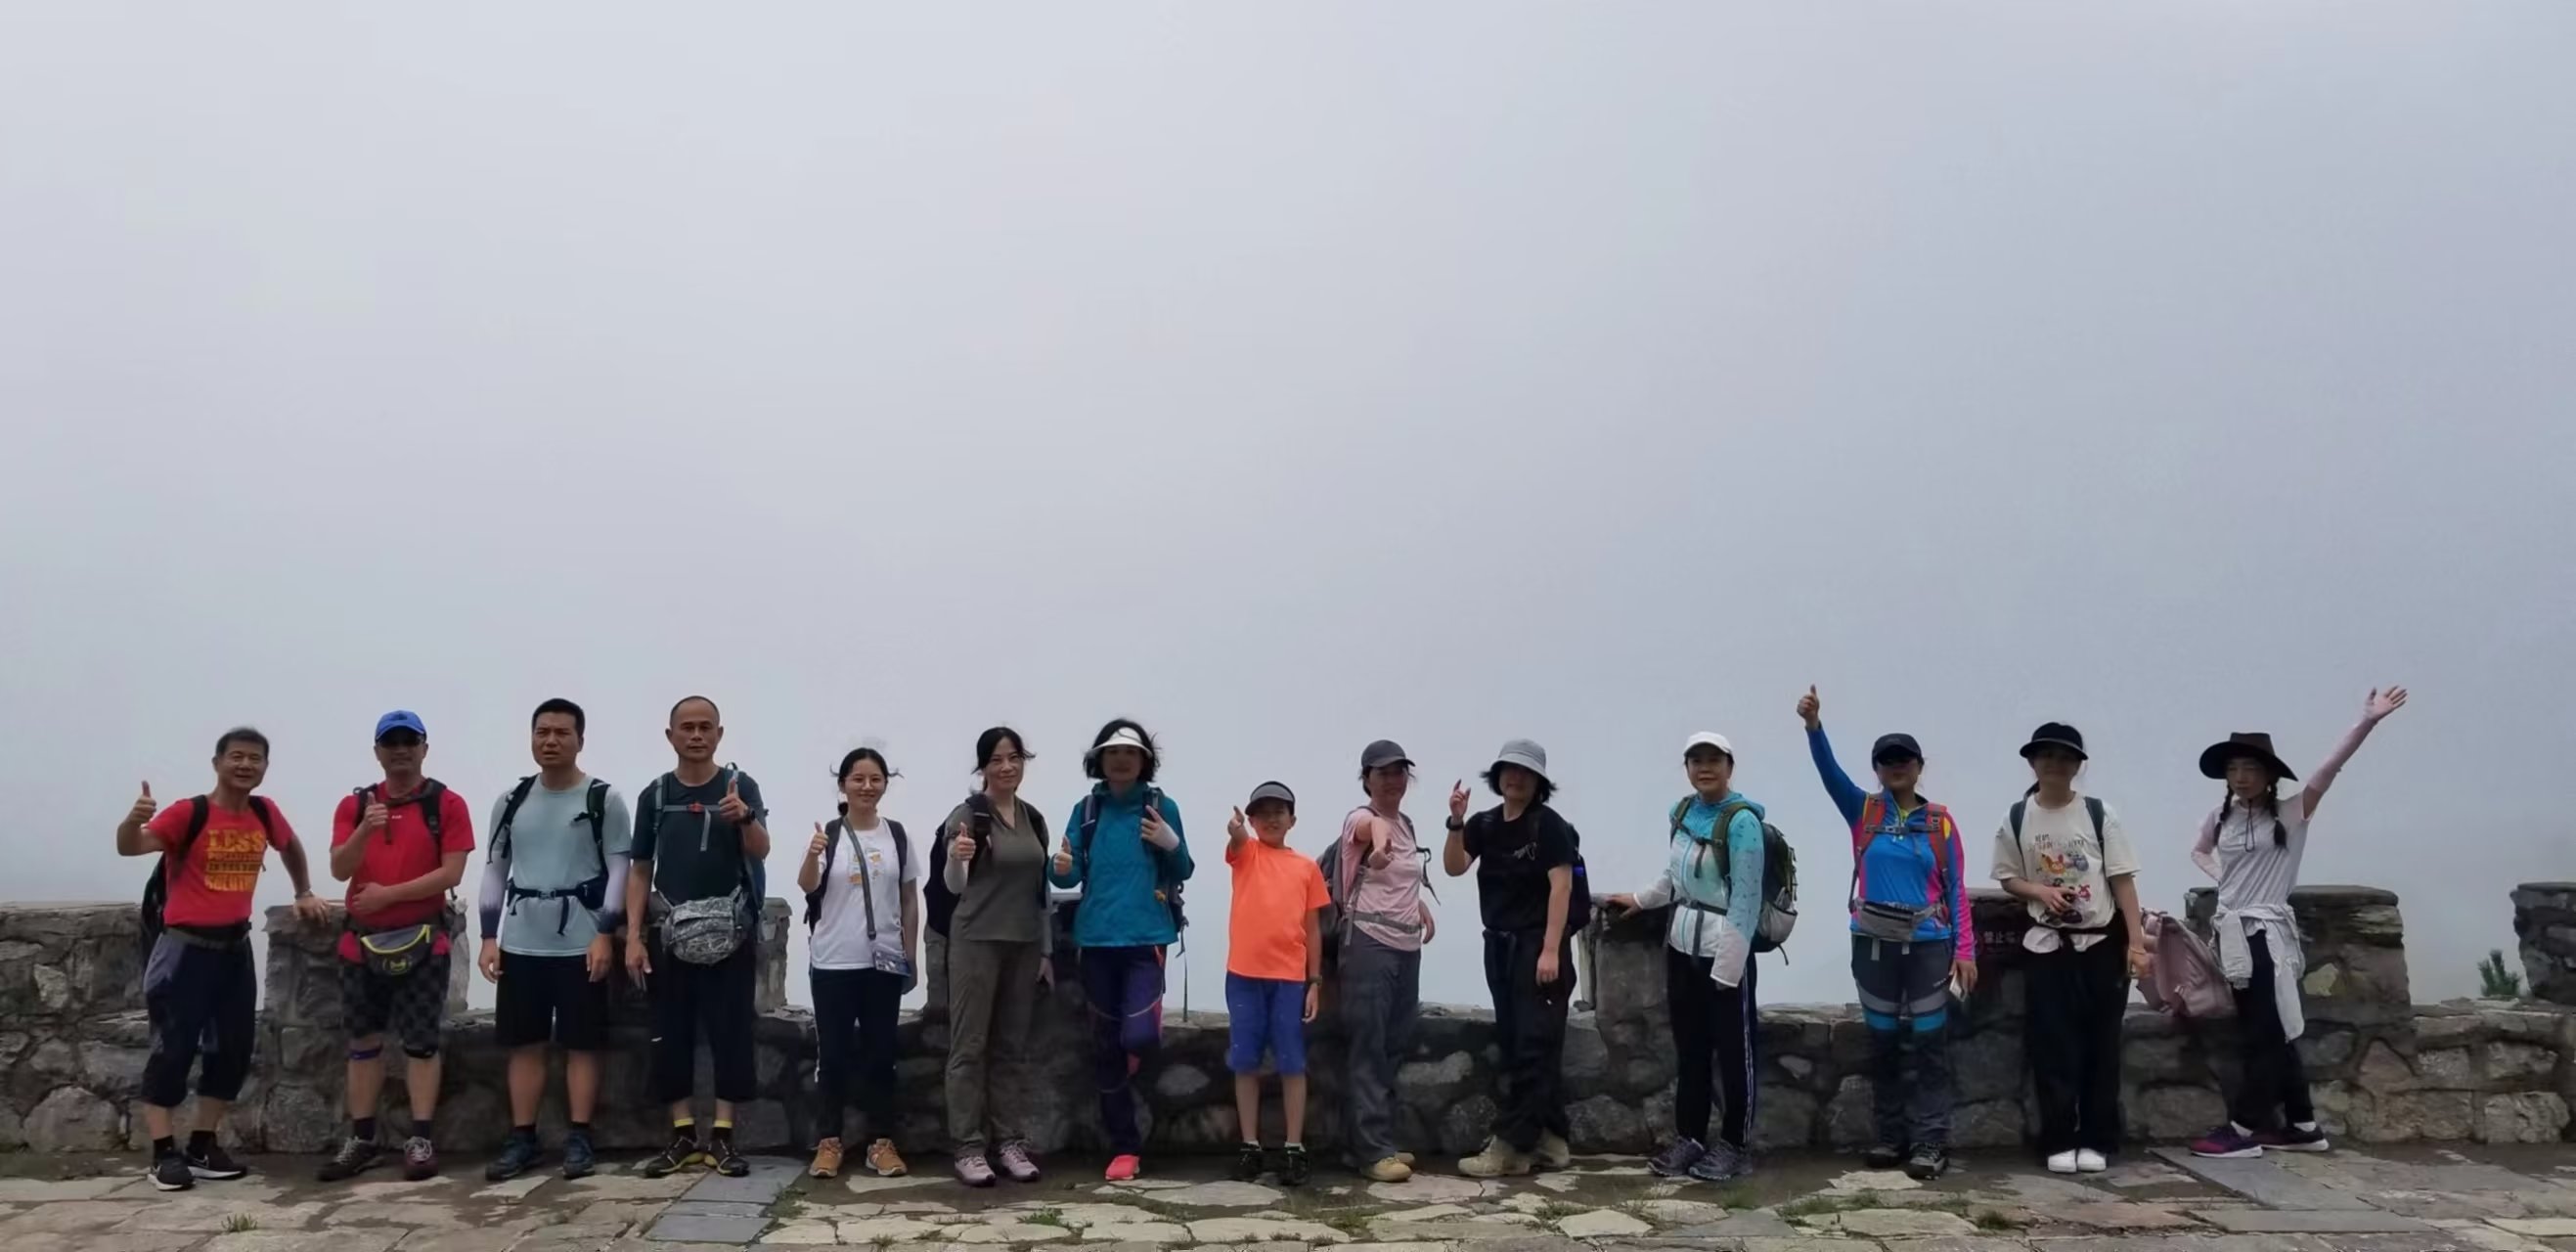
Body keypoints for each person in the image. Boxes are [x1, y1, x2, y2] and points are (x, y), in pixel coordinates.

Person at [2189, 687, 2409, 1159]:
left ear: (2269, 775)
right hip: (2234, 935)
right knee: (2271, 1029)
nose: (2241, 777)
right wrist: (2224, 879)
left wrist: (2367, 721)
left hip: (2267, 935)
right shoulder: (2221, 817)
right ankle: (2303, 1125)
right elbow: (2198, 851)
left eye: (2251, 768)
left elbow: (2329, 768)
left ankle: (2243, 1128)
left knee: (2267, 1033)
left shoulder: (2292, 813)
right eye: (2234, 769)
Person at [117, 728, 333, 1191]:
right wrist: (132, 822)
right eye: (236, 756)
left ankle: (202, 1145)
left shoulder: (263, 812)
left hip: (234, 949)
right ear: (217, 763)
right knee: (172, 1049)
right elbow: (131, 847)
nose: (245, 765)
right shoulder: (189, 813)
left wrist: (303, 891)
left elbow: (290, 846)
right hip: (184, 950)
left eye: (255, 758)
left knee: (231, 1050)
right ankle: (162, 1153)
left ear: (265, 767)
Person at [1798, 686, 1976, 1182]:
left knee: (1929, 1046)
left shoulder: (1940, 822)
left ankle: (1930, 1141)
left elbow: (1956, 888)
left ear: (1919, 767)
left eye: (1904, 760)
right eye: (1887, 761)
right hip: (1874, 945)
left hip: (1929, 947)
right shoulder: (1864, 812)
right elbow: (1830, 774)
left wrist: (1965, 950)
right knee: (1883, 1046)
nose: (1896, 767)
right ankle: (1890, 1137)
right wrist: (1814, 728)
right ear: (1876, 769)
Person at [317, 710, 476, 1183]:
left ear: (425, 748)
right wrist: (365, 829)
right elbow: (340, 869)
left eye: (410, 741)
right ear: (377, 752)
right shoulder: (355, 807)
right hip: (360, 944)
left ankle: (420, 1139)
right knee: (362, 1041)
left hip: (425, 939)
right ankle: (362, 1139)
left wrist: (389, 895)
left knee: (421, 1043)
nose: (401, 750)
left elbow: (451, 873)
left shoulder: (446, 804)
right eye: (392, 742)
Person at [479, 698, 634, 1183]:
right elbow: (495, 869)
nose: (550, 741)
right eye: (542, 732)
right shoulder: (511, 801)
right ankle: (522, 1137)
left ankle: (580, 1136)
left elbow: (620, 870)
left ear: (580, 740)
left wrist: (605, 932)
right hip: (522, 941)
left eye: (562, 733)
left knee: (582, 1043)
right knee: (523, 1043)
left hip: (581, 942)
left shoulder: (603, 799)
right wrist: (488, 936)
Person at [1607, 732, 1768, 1183]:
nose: (1705, 767)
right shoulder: (1683, 813)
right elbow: (1675, 875)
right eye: (1696, 760)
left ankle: (1735, 1145)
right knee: (1691, 1050)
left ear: (1730, 766)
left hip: (1724, 952)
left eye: (1714, 759)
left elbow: (1747, 898)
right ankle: (1691, 1137)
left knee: (1735, 1054)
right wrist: (1641, 899)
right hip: (1683, 948)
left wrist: (1729, 967)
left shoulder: (1742, 822)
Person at [1989, 722, 2146, 1175]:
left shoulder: (2098, 814)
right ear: (2033, 763)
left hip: (2101, 943)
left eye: (2064, 757)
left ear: (2077, 766)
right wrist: (2040, 891)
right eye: (2046, 756)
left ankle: (2097, 1138)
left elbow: (2122, 880)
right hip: (2047, 945)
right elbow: (2007, 876)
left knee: (2102, 1044)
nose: (2055, 764)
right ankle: (2058, 1137)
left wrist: (2137, 944)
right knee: (2052, 1043)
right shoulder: (2017, 817)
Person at [625, 695, 772, 1179]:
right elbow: (640, 868)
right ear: (670, 735)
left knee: (732, 1034)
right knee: (671, 1035)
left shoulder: (740, 786)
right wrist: (633, 936)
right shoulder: (655, 795)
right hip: (670, 935)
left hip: (732, 931)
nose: (696, 735)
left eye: (705, 727)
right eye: (686, 727)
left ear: (719, 734)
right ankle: (684, 1135)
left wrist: (744, 816)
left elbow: (761, 849)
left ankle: (723, 1138)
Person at [1049, 719, 1196, 1183]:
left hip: (1146, 937)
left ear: (1144, 761)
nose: (1121, 760)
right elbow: (1069, 874)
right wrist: (1061, 866)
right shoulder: (1087, 810)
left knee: (1139, 1036)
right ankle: (1125, 1147)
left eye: (1130, 753)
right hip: (1096, 939)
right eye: (1112, 752)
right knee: (1106, 1048)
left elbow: (1184, 867)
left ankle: (1135, 1053)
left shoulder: (1161, 807)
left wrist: (1169, 842)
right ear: (1099, 759)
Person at [1444, 738, 1578, 1179]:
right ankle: (1552, 1141)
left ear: (1539, 782)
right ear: (1497, 775)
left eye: (1525, 772)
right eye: (1508, 770)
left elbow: (1561, 888)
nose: (1515, 777)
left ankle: (1512, 1147)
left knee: (1533, 1046)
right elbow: (1454, 866)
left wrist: (1550, 950)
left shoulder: (1549, 826)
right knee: (1520, 1042)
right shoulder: (1485, 824)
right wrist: (1456, 822)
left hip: (1538, 946)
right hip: (1500, 947)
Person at [936, 727, 1055, 1188]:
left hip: (1023, 944)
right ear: (983, 767)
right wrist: (957, 856)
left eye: (1014, 758)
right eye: (996, 760)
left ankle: (1009, 1143)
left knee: (1010, 1047)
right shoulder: (968, 815)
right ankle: (968, 1147)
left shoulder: (1033, 818)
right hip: (977, 942)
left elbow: (1040, 892)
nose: (1007, 767)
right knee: (968, 1047)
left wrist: (1045, 950)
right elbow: (954, 885)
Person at [799, 746, 919, 1181]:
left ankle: (880, 1143)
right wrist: (812, 853)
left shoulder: (897, 836)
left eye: (875, 779)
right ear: (843, 784)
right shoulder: (829, 834)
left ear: (885, 784)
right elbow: (806, 885)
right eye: (858, 779)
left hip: (883, 962)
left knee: (881, 1055)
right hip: (833, 961)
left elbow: (909, 898)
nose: (867, 787)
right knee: (832, 1055)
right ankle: (829, 1141)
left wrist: (910, 953)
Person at [1338, 739, 1437, 1184]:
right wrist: (1378, 846)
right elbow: (1371, 830)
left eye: (1399, 771)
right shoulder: (1360, 818)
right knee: (1369, 1044)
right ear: (1367, 779)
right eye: (1383, 773)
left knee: (1393, 1044)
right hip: (1369, 944)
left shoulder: (1407, 825)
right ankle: (1372, 1150)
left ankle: (1376, 1141)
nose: (1393, 780)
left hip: (1406, 946)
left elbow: (1398, 879)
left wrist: (1418, 905)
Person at [1221, 782, 1328, 1187]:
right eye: (1262, 812)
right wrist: (1235, 832)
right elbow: (1236, 843)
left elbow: (1313, 929)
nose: (1271, 818)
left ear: (1292, 820)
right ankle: (1249, 1145)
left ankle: (1293, 1147)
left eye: (1278, 811)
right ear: (1251, 820)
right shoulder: (1247, 853)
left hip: (1289, 978)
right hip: (1244, 975)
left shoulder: (1306, 867)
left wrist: (1314, 981)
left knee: (1292, 1061)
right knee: (1245, 1060)